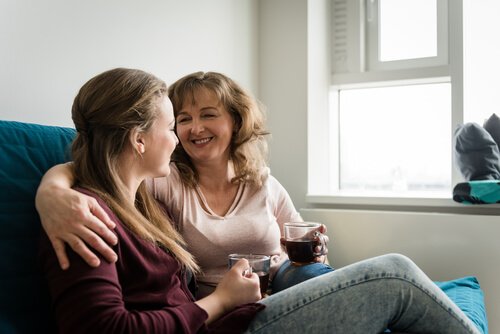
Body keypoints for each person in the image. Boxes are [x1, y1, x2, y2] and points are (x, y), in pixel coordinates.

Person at [39, 67, 481, 334]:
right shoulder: (92, 216)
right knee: (398, 274)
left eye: (202, 117)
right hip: (230, 317)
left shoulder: (140, 206)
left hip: (249, 306)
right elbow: (101, 328)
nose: (180, 137)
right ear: (139, 139)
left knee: (375, 278)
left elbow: (97, 164)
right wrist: (52, 194)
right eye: (174, 125)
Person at [36, 71, 333, 297]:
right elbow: (96, 167)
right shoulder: (166, 179)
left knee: (324, 279)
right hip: (220, 305)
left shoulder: (263, 182)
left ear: (236, 121)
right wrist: (51, 192)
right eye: (182, 119)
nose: (195, 128)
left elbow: (304, 249)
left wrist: (317, 251)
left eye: (208, 115)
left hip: (282, 285)